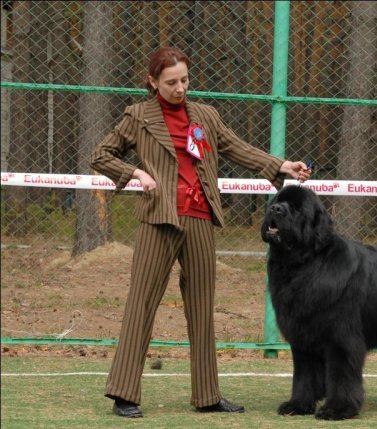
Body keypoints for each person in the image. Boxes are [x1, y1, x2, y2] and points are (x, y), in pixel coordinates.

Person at [91, 46, 312, 418]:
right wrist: (135, 173)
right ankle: (124, 393)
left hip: (199, 218)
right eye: (171, 82)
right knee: (141, 304)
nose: (180, 88)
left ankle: (207, 395)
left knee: (201, 308)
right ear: (153, 82)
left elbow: (237, 148)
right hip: (158, 219)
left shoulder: (205, 116)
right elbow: (100, 155)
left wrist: (281, 165)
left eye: (185, 80)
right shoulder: (138, 116)